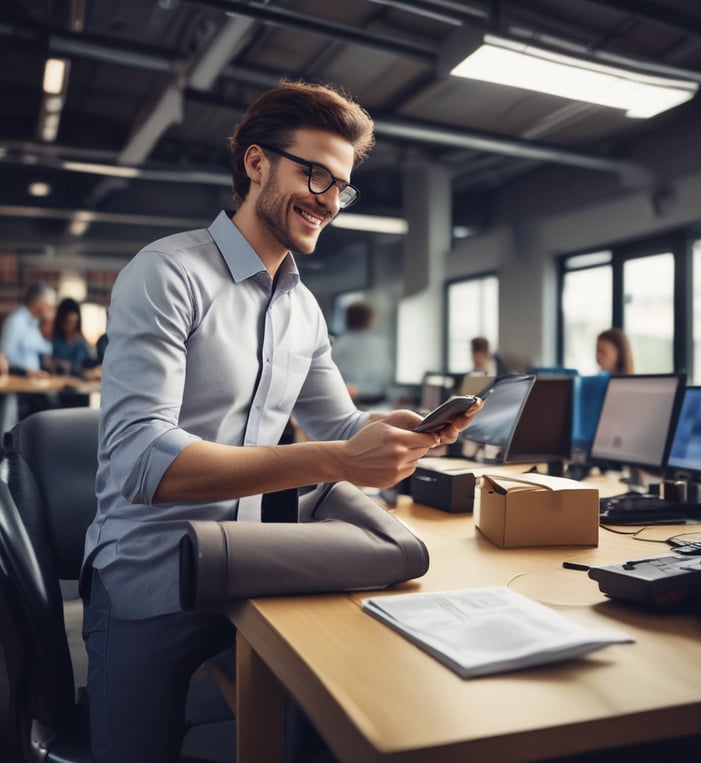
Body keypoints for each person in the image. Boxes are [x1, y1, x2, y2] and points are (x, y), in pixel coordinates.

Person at [81, 80, 482, 763]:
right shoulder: (166, 275)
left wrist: (398, 432)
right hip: (149, 581)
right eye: (315, 172)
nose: (328, 198)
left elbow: (343, 424)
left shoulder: (303, 309)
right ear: (257, 164)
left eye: (342, 185)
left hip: (250, 569)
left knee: (350, 710)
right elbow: (142, 462)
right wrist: (332, 459)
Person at [331, 300, 391, 405]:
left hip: (345, 399)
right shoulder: (380, 345)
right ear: (369, 319)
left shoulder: (339, 344)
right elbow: (386, 375)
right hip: (375, 400)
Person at [0, 282, 56, 377]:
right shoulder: (16, 321)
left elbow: (45, 350)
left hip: (33, 385)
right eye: (49, 305)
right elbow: (4, 359)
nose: (52, 310)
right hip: (18, 385)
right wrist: (27, 372)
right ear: (38, 302)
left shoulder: (35, 323)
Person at [51, 297, 97, 375]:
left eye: (73, 323)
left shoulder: (81, 343)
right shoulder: (54, 341)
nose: (70, 327)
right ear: (61, 322)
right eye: (67, 323)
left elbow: (87, 365)